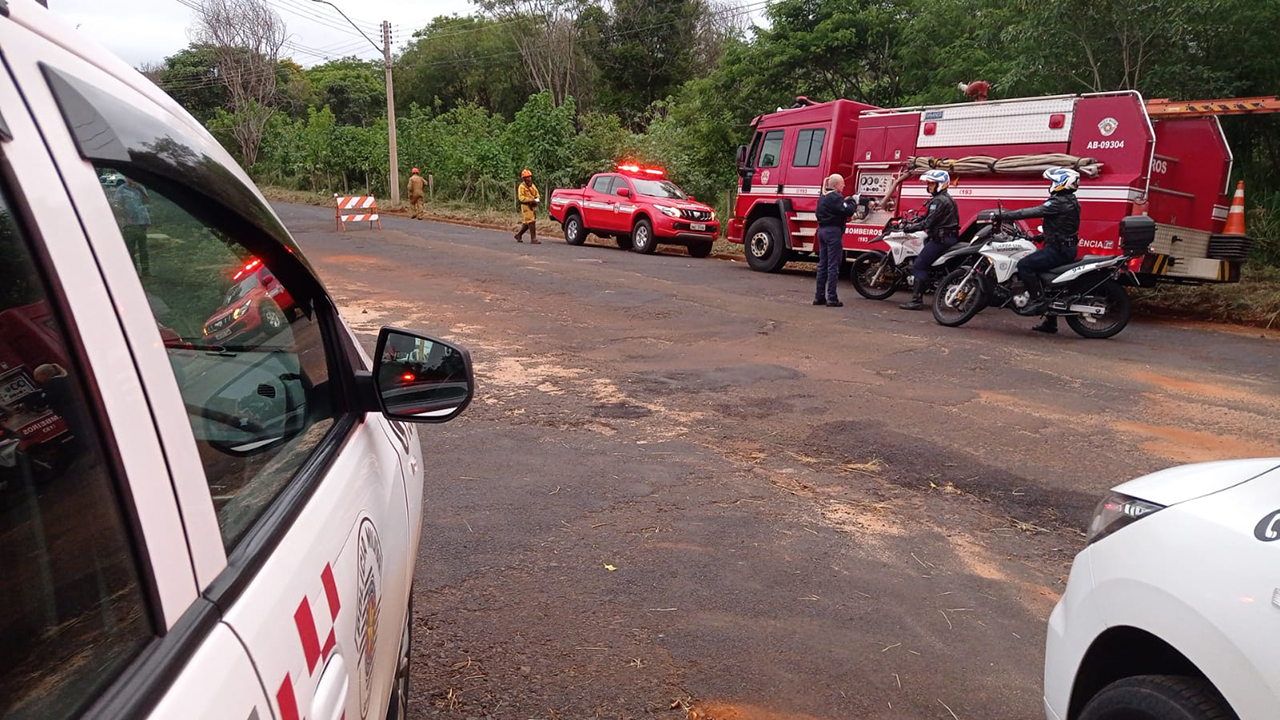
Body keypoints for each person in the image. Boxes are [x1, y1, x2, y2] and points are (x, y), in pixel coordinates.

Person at [992, 167, 1082, 333]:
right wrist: (1041, 237)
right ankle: (1050, 322)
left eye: (1053, 181)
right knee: (1044, 279)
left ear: (1062, 182)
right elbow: (1063, 226)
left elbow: (1032, 211)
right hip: (1063, 246)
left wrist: (1005, 215)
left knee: (1025, 265)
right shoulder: (1070, 201)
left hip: (1059, 250)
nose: (1051, 184)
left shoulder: (1059, 202)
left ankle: (1037, 301)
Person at [898, 169, 959, 310]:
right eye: (929, 183)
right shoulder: (946, 199)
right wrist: (917, 219)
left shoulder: (938, 201)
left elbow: (928, 223)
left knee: (919, 265)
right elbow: (929, 218)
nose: (929, 186)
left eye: (932, 183)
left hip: (941, 239)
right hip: (949, 237)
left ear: (941, 184)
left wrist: (908, 228)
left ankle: (916, 301)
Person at [814, 173, 860, 307]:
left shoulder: (823, 197)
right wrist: (853, 201)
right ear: (835, 185)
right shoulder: (835, 197)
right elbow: (848, 211)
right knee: (833, 265)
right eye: (842, 183)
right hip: (833, 232)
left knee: (822, 265)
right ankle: (832, 298)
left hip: (822, 231)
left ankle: (819, 296)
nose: (844, 185)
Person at [113, 177, 151, 276]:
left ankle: (146, 271)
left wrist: (140, 189)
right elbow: (117, 204)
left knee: (143, 248)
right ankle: (133, 272)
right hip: (129, 224)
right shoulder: (121, 189)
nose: (130, 179)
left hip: (141, 222)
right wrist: (125, 217)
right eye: (127, 177)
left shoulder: (140, 188)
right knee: (131, 249)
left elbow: (147, 201)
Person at [514, 169, 540, 244]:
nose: (529, 178)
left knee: (527, 222)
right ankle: (533, 239)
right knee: (531, 221)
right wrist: (531, 200)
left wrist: (537, 200)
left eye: (529, 177)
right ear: (524, 178)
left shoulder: (533, 186)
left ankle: (518, 235)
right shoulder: (521, 187)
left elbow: (537, 194)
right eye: (527, 177)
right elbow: (521, 198)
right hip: (526, 206)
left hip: (532, 206)